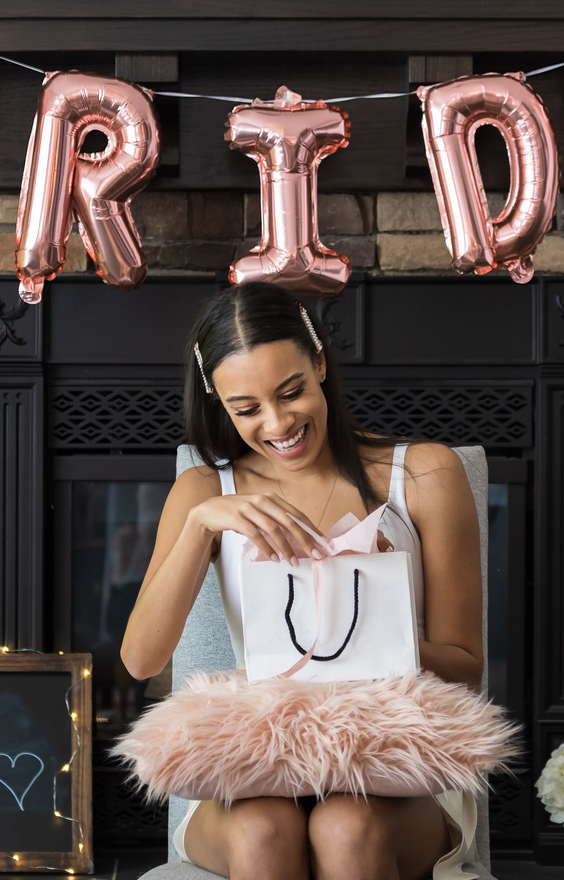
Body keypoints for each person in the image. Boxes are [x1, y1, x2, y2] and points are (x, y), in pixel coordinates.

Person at [121, 281, 484, 880]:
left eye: (291, 393)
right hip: (261, 769)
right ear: (219, 403)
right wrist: (200, 524)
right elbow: (140, 660)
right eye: (247, 410)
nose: (278, 424)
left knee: (347, 827)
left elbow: (466, 667)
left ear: (320, 364)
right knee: (265, 830)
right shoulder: (206, 490)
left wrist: (372, 631)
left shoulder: (423, 474)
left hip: (390, 770)